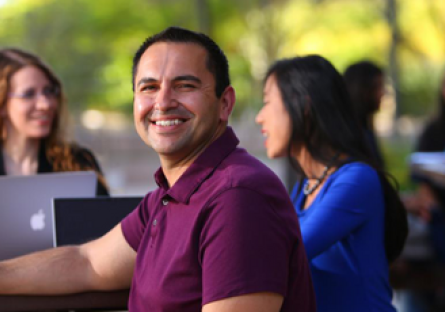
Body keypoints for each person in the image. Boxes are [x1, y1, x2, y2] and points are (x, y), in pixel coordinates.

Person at [0, 27, 316, 312]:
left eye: (185, 85)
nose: (163, 102)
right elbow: (87, 263)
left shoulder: (238, 197)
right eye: (149, 87)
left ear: (225, 104)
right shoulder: (168, 193)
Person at [255, 55, 408, 311]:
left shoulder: (356, 180)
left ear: (303, 106)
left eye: (267, 102)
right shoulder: (305, 187)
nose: (260, 117)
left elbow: (288, 252)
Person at [0, 48, 109, 195]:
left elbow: (105, 217)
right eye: (28, 94)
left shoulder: (77, 163)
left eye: (48, 91)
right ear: (2, 104)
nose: (46, 104)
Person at [343, 60, 386, 168]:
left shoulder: (365, 130)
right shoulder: (352, 137)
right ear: (362, 90)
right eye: (378, 86)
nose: (383, 93)